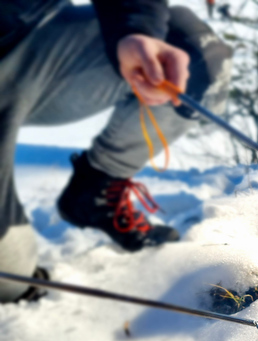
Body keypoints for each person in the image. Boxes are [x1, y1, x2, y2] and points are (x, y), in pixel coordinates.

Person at [0, 0, 232, 302]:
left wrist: (136, 28)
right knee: (12, 283)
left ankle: (95, 194)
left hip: (33, 32)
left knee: (196, 55)